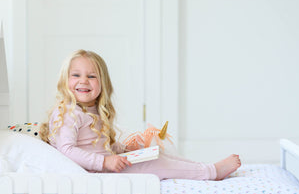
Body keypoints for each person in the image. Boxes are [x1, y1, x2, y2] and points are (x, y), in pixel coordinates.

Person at [40, 50, 241, 180]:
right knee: (156, 164)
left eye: (92, 76)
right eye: (76, 75)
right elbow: (67, 149)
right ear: (65, 80)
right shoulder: (67, 112)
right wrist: (105, 162)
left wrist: (122, 148)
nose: (83, 81)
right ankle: (211, 172)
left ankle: (204, 167)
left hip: (106, 166)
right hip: (96, 172)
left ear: (102, 84)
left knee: (156, 153)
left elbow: (99, 145)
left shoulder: (91, 109)